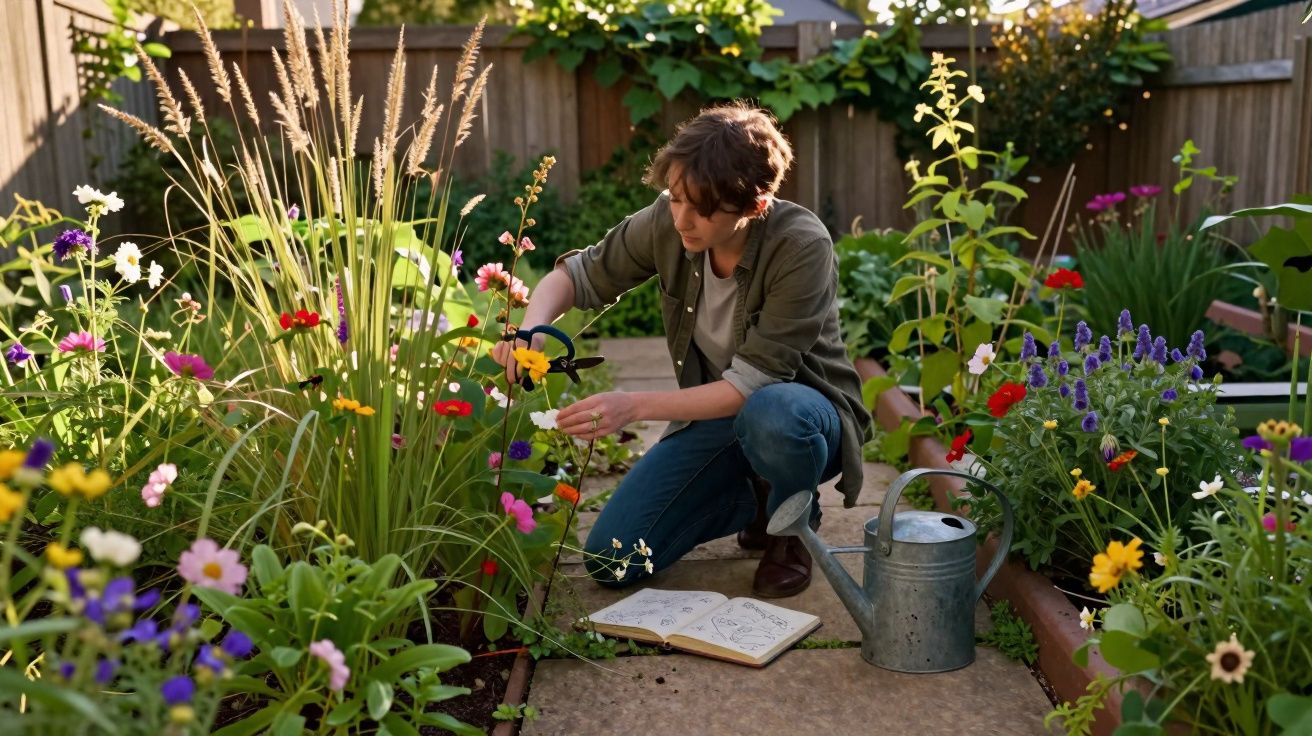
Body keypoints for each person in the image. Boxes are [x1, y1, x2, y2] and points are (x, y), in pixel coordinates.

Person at [491, 101, 871, 598]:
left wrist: (633, 406)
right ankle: (754, 498)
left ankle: (791, 523)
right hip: (717, 418)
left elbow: (750, 385)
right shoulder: (669, 222)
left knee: (772, 413)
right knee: (613, 560)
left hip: (801, 416)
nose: (682, 220)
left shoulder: (800, 247)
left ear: (754, 206)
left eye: (703, 208)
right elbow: (578, 276)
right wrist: (530, 331)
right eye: (674, 198)